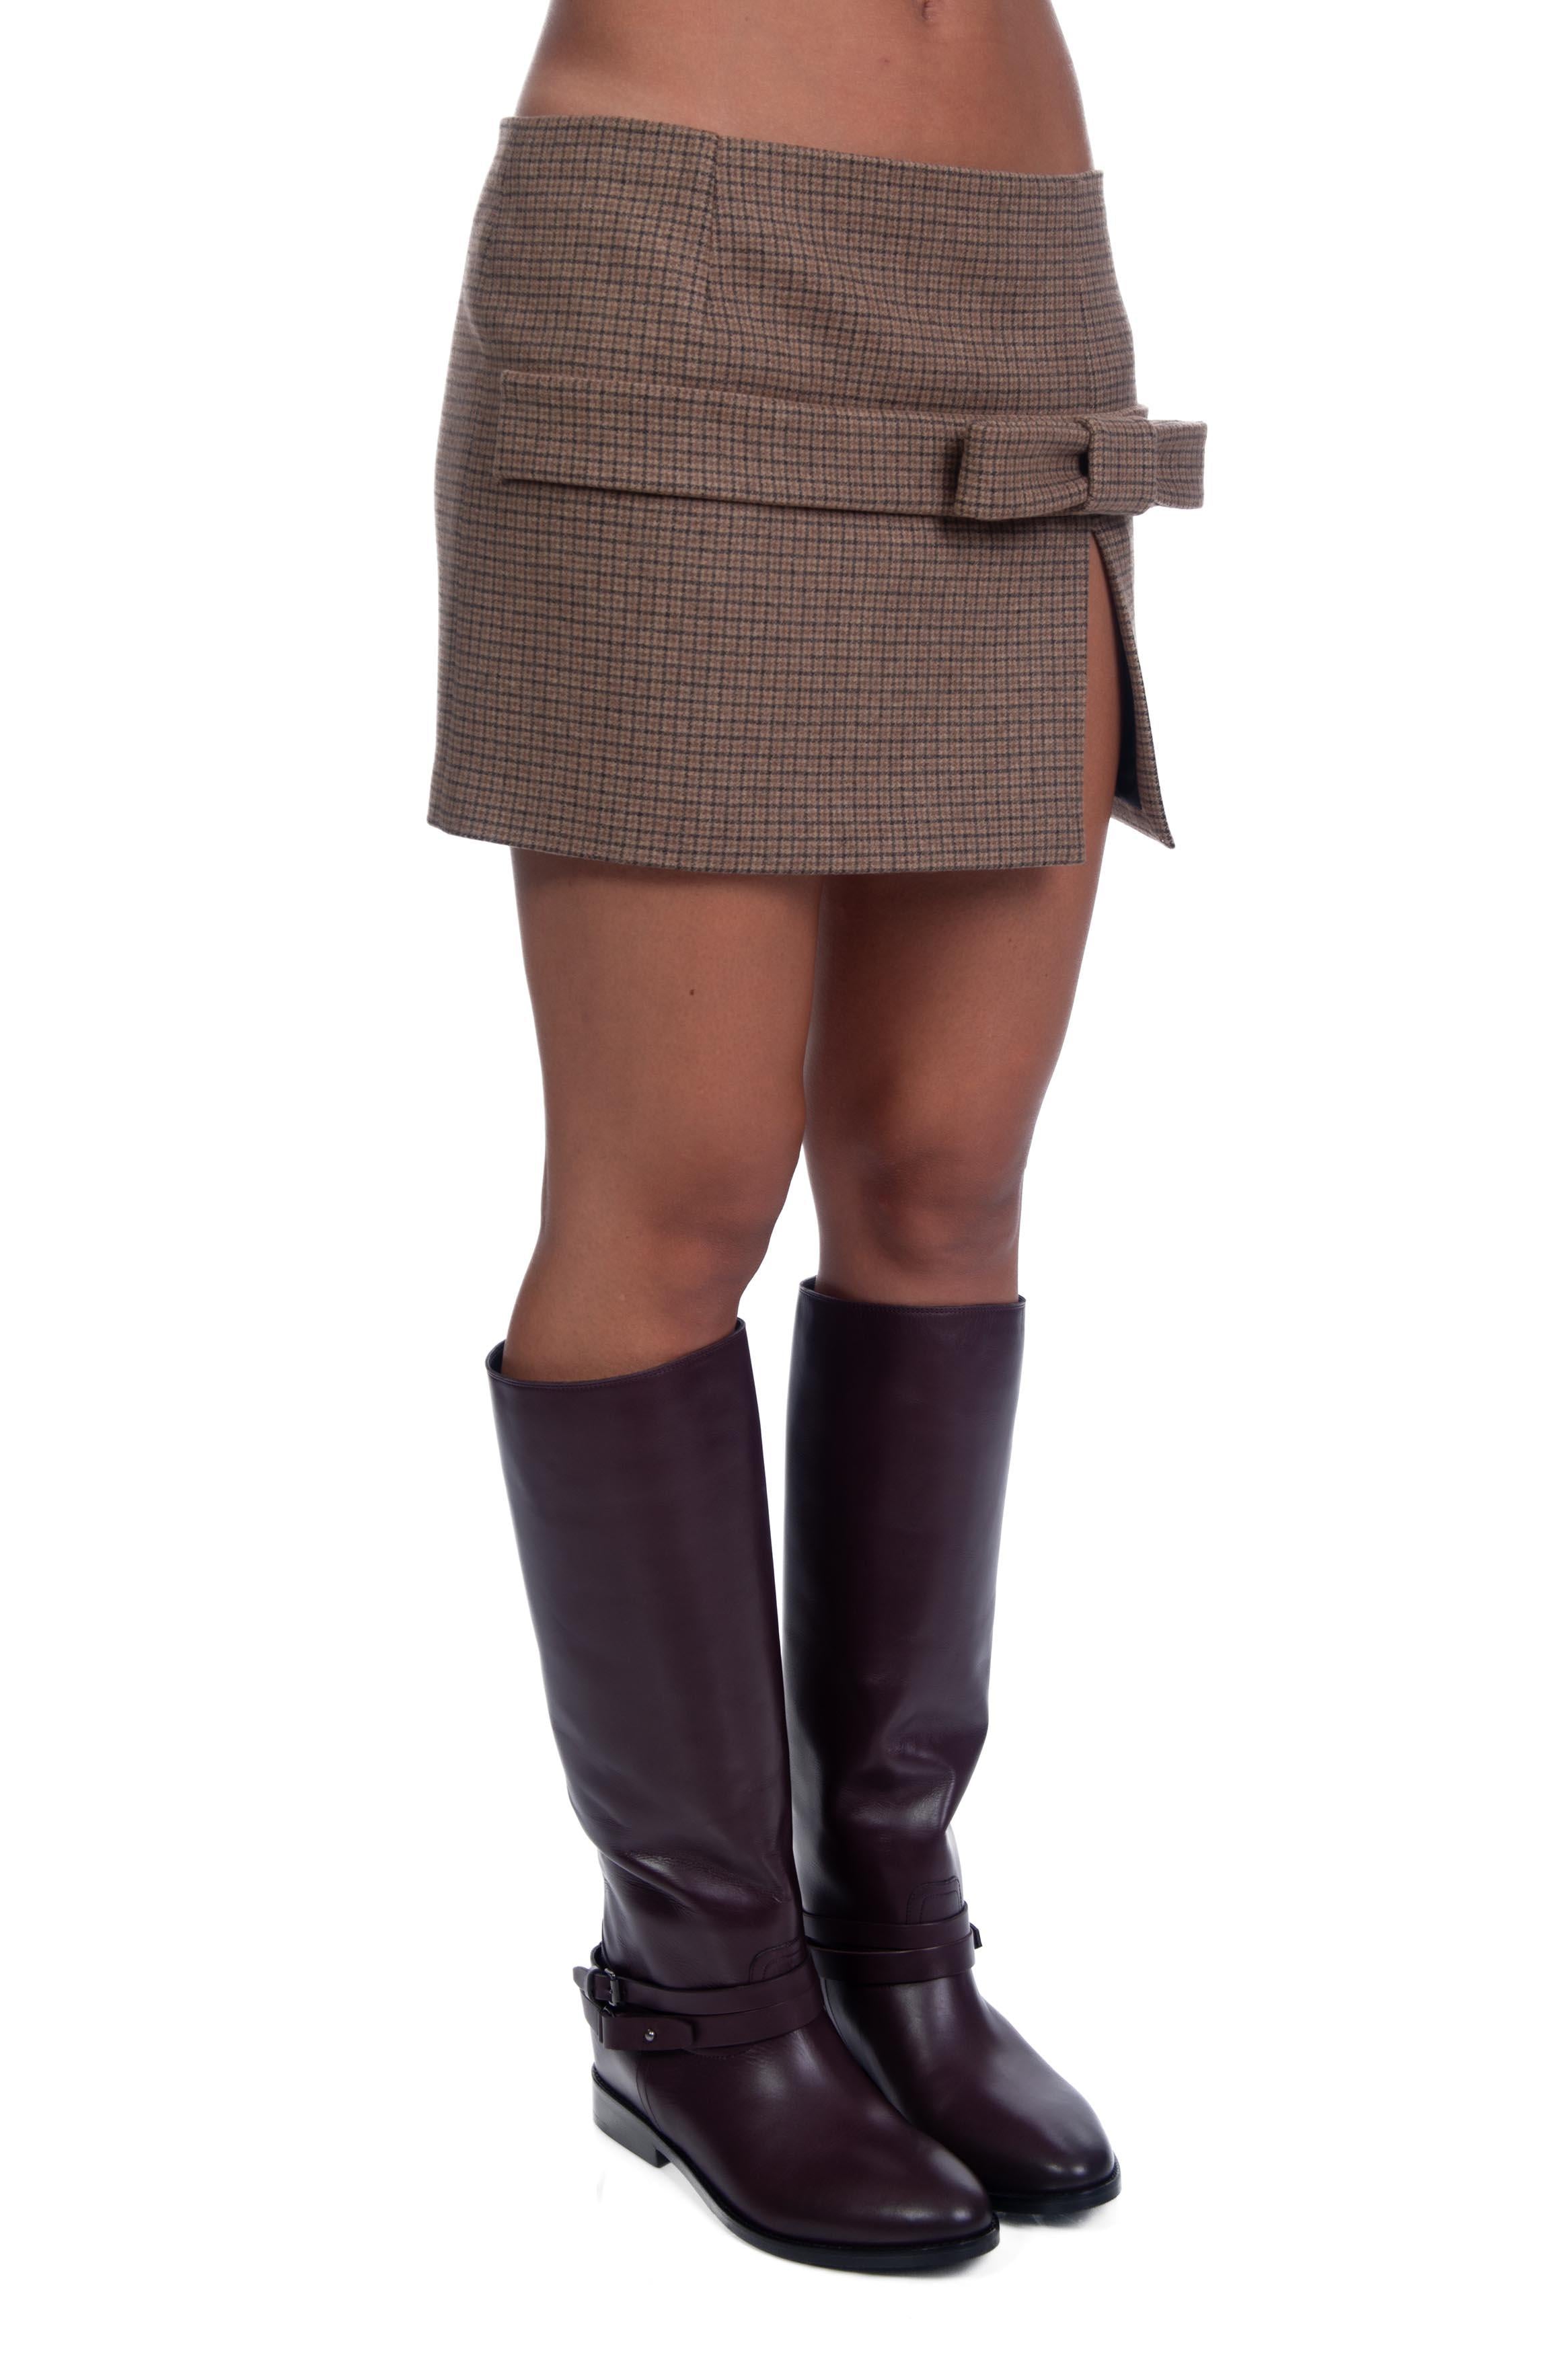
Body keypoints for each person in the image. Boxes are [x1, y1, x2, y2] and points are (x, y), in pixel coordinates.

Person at [429, 0, 1204, 2272]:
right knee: (676, 1192)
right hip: (680, 259)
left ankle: (887, 1927)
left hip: (1013, 264)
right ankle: (696, 1987)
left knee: (946, 1170)